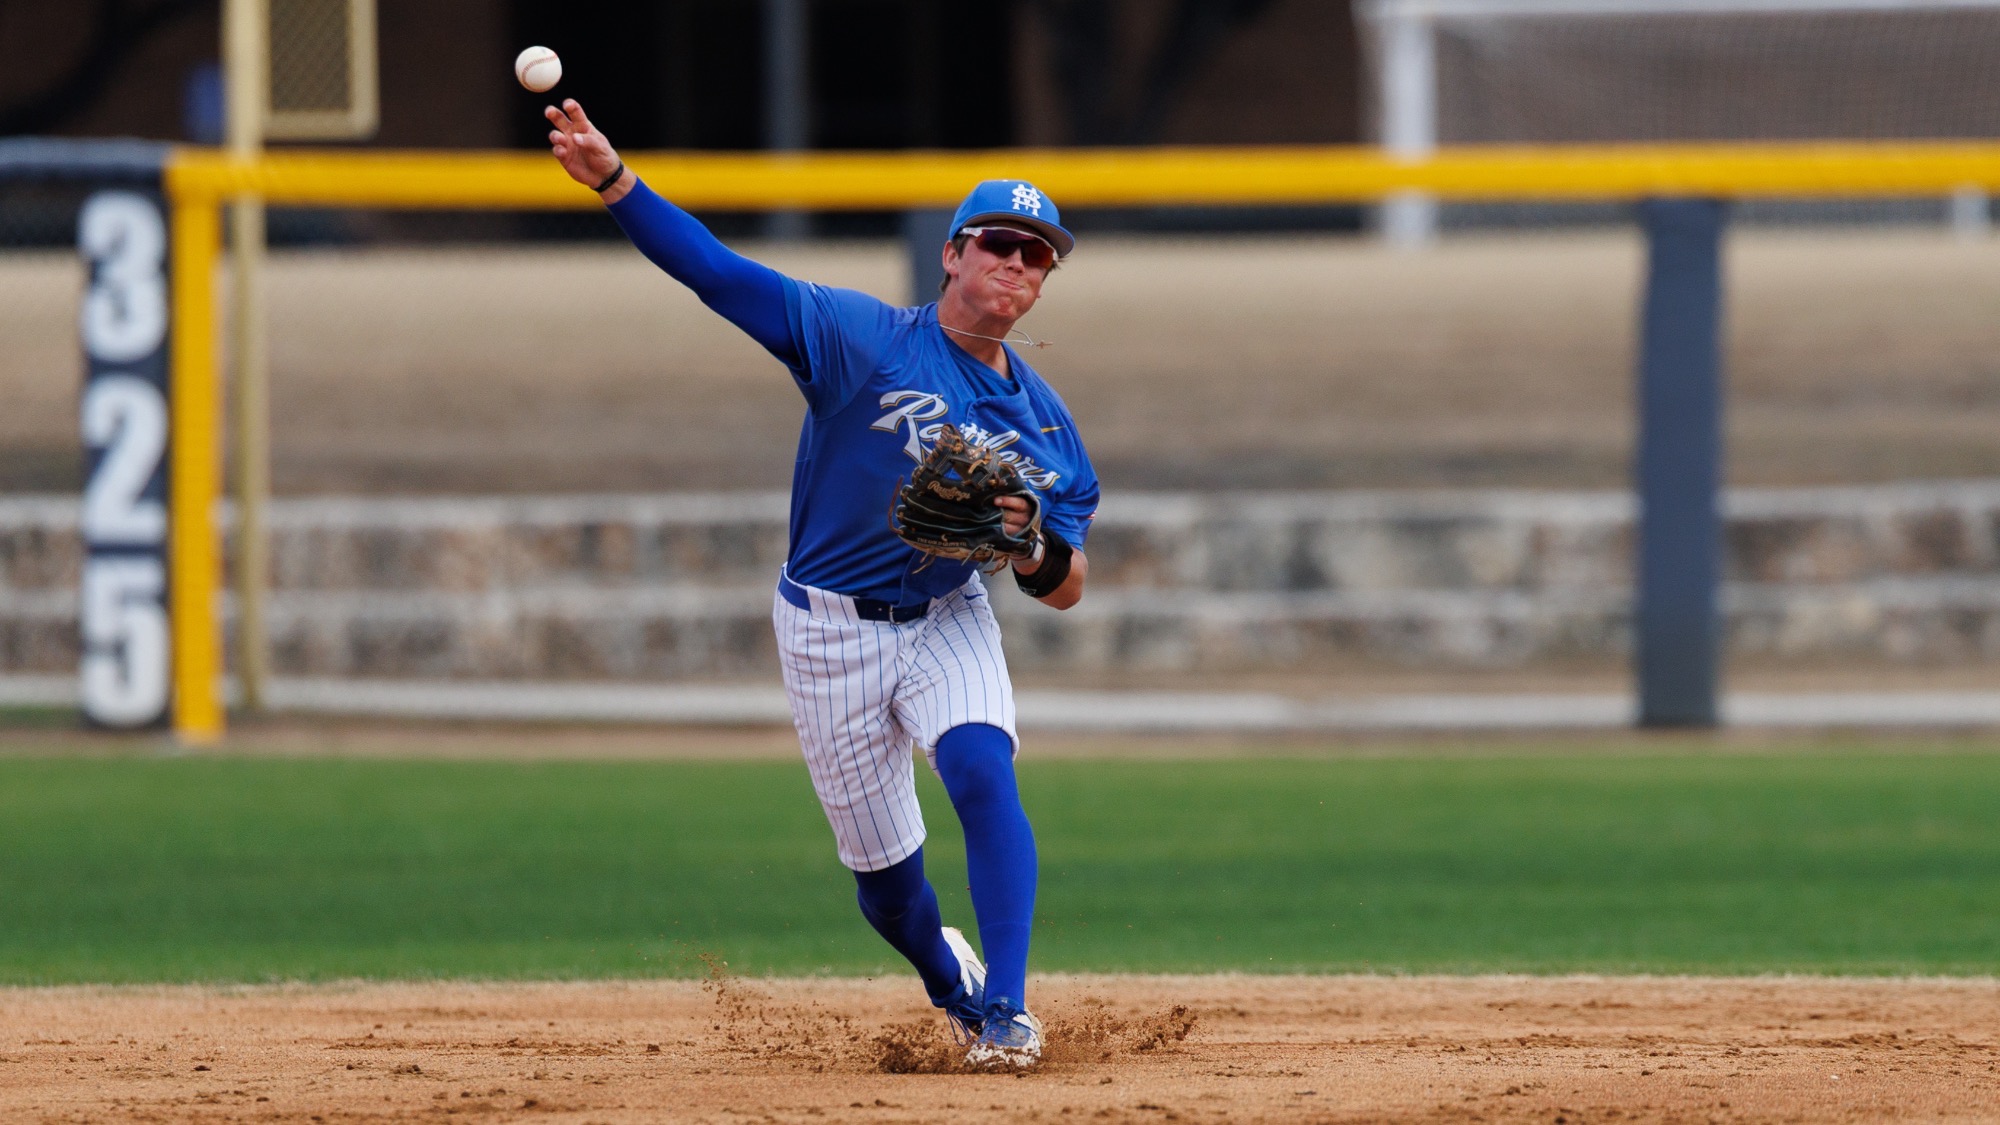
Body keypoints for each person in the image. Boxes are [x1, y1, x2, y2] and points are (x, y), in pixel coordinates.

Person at [543, 99, 1098, 1068]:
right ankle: (950, 982)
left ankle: (1006, 1011)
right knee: (888, 889)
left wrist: (1025, 547)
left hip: (944, 613)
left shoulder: (1047, 430)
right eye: (1000, 243)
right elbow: (719, 275)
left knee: (981, 767)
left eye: (1037, 255)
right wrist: (616, 183)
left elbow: (1067, 585)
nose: (1018, 262)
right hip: (828, 628)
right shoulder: (860, 337)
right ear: (953, 254)